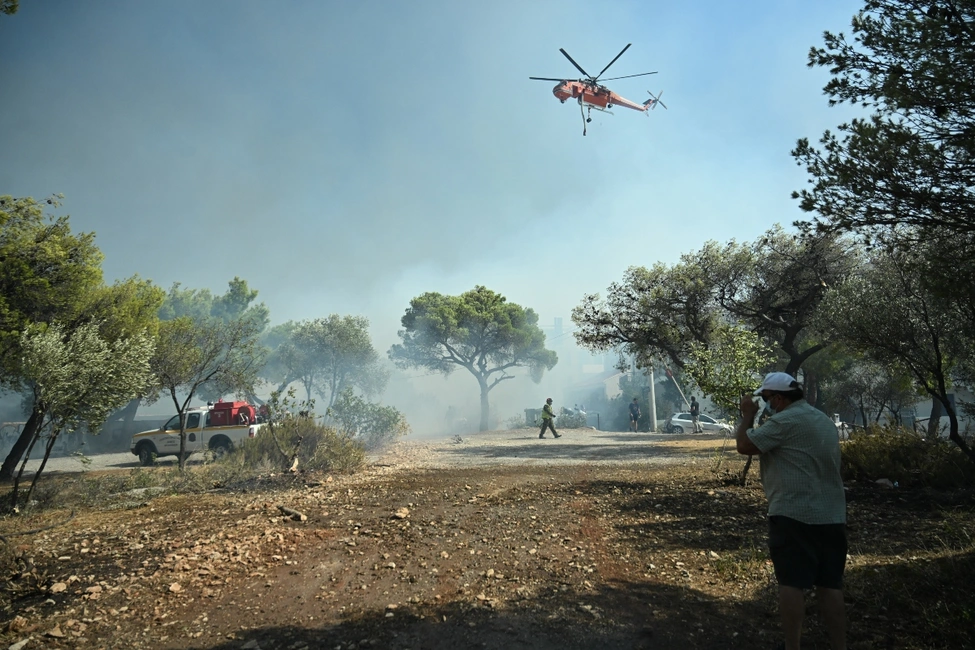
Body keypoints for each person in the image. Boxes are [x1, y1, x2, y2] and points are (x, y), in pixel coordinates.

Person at [736, 372, 847, 650]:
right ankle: (840, 645)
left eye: (765, 399)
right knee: (830, 585)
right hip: (832, 514)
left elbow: (745, 445)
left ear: (777, 398)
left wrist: (747, 415)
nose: (765, 404)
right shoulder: (822, 420)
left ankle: (792, 646)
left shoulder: (784, 421)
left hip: (793, 514)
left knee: (792, 583)